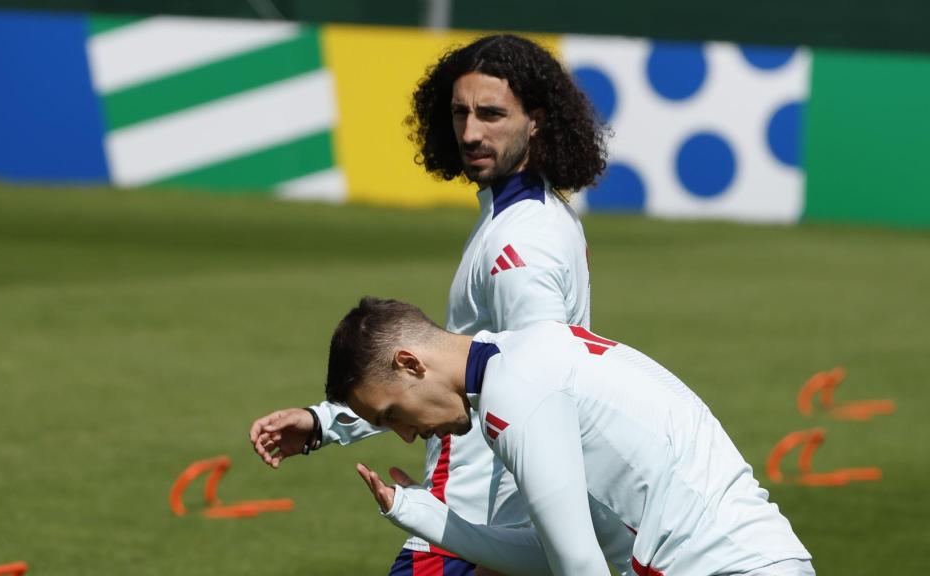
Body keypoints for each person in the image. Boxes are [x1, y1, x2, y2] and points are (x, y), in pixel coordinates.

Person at [249, 34, 634, 574]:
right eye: (460, 113)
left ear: (537, 120)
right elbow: (444, 371)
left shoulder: (520, 246)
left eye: (492, 114)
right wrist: (325, 423)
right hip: (493, 526)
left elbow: (536, 392)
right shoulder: (526, 216)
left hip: (473, 525)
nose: (471, 132)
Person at [327, 297, 815, 576]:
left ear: (410, 363)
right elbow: (557, 553)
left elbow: (579, 565)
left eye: (392, 413)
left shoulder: (513, 394)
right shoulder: (527, 352)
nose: (406, 436)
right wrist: (428, 518)